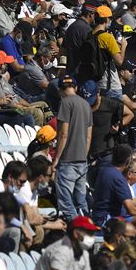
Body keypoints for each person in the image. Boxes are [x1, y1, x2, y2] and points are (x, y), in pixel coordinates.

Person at [52, 76, 93, 217]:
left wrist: (56, 159)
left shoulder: (65, 103)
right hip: (82, 160)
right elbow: (89, 137)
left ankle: (75, 231)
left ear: (60, 90)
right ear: (75, 87)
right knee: (81, 202)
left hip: (67, 161)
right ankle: (87, 229)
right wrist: (83, 155)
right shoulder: (86, 105)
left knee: (66, 203)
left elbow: (63, 134)